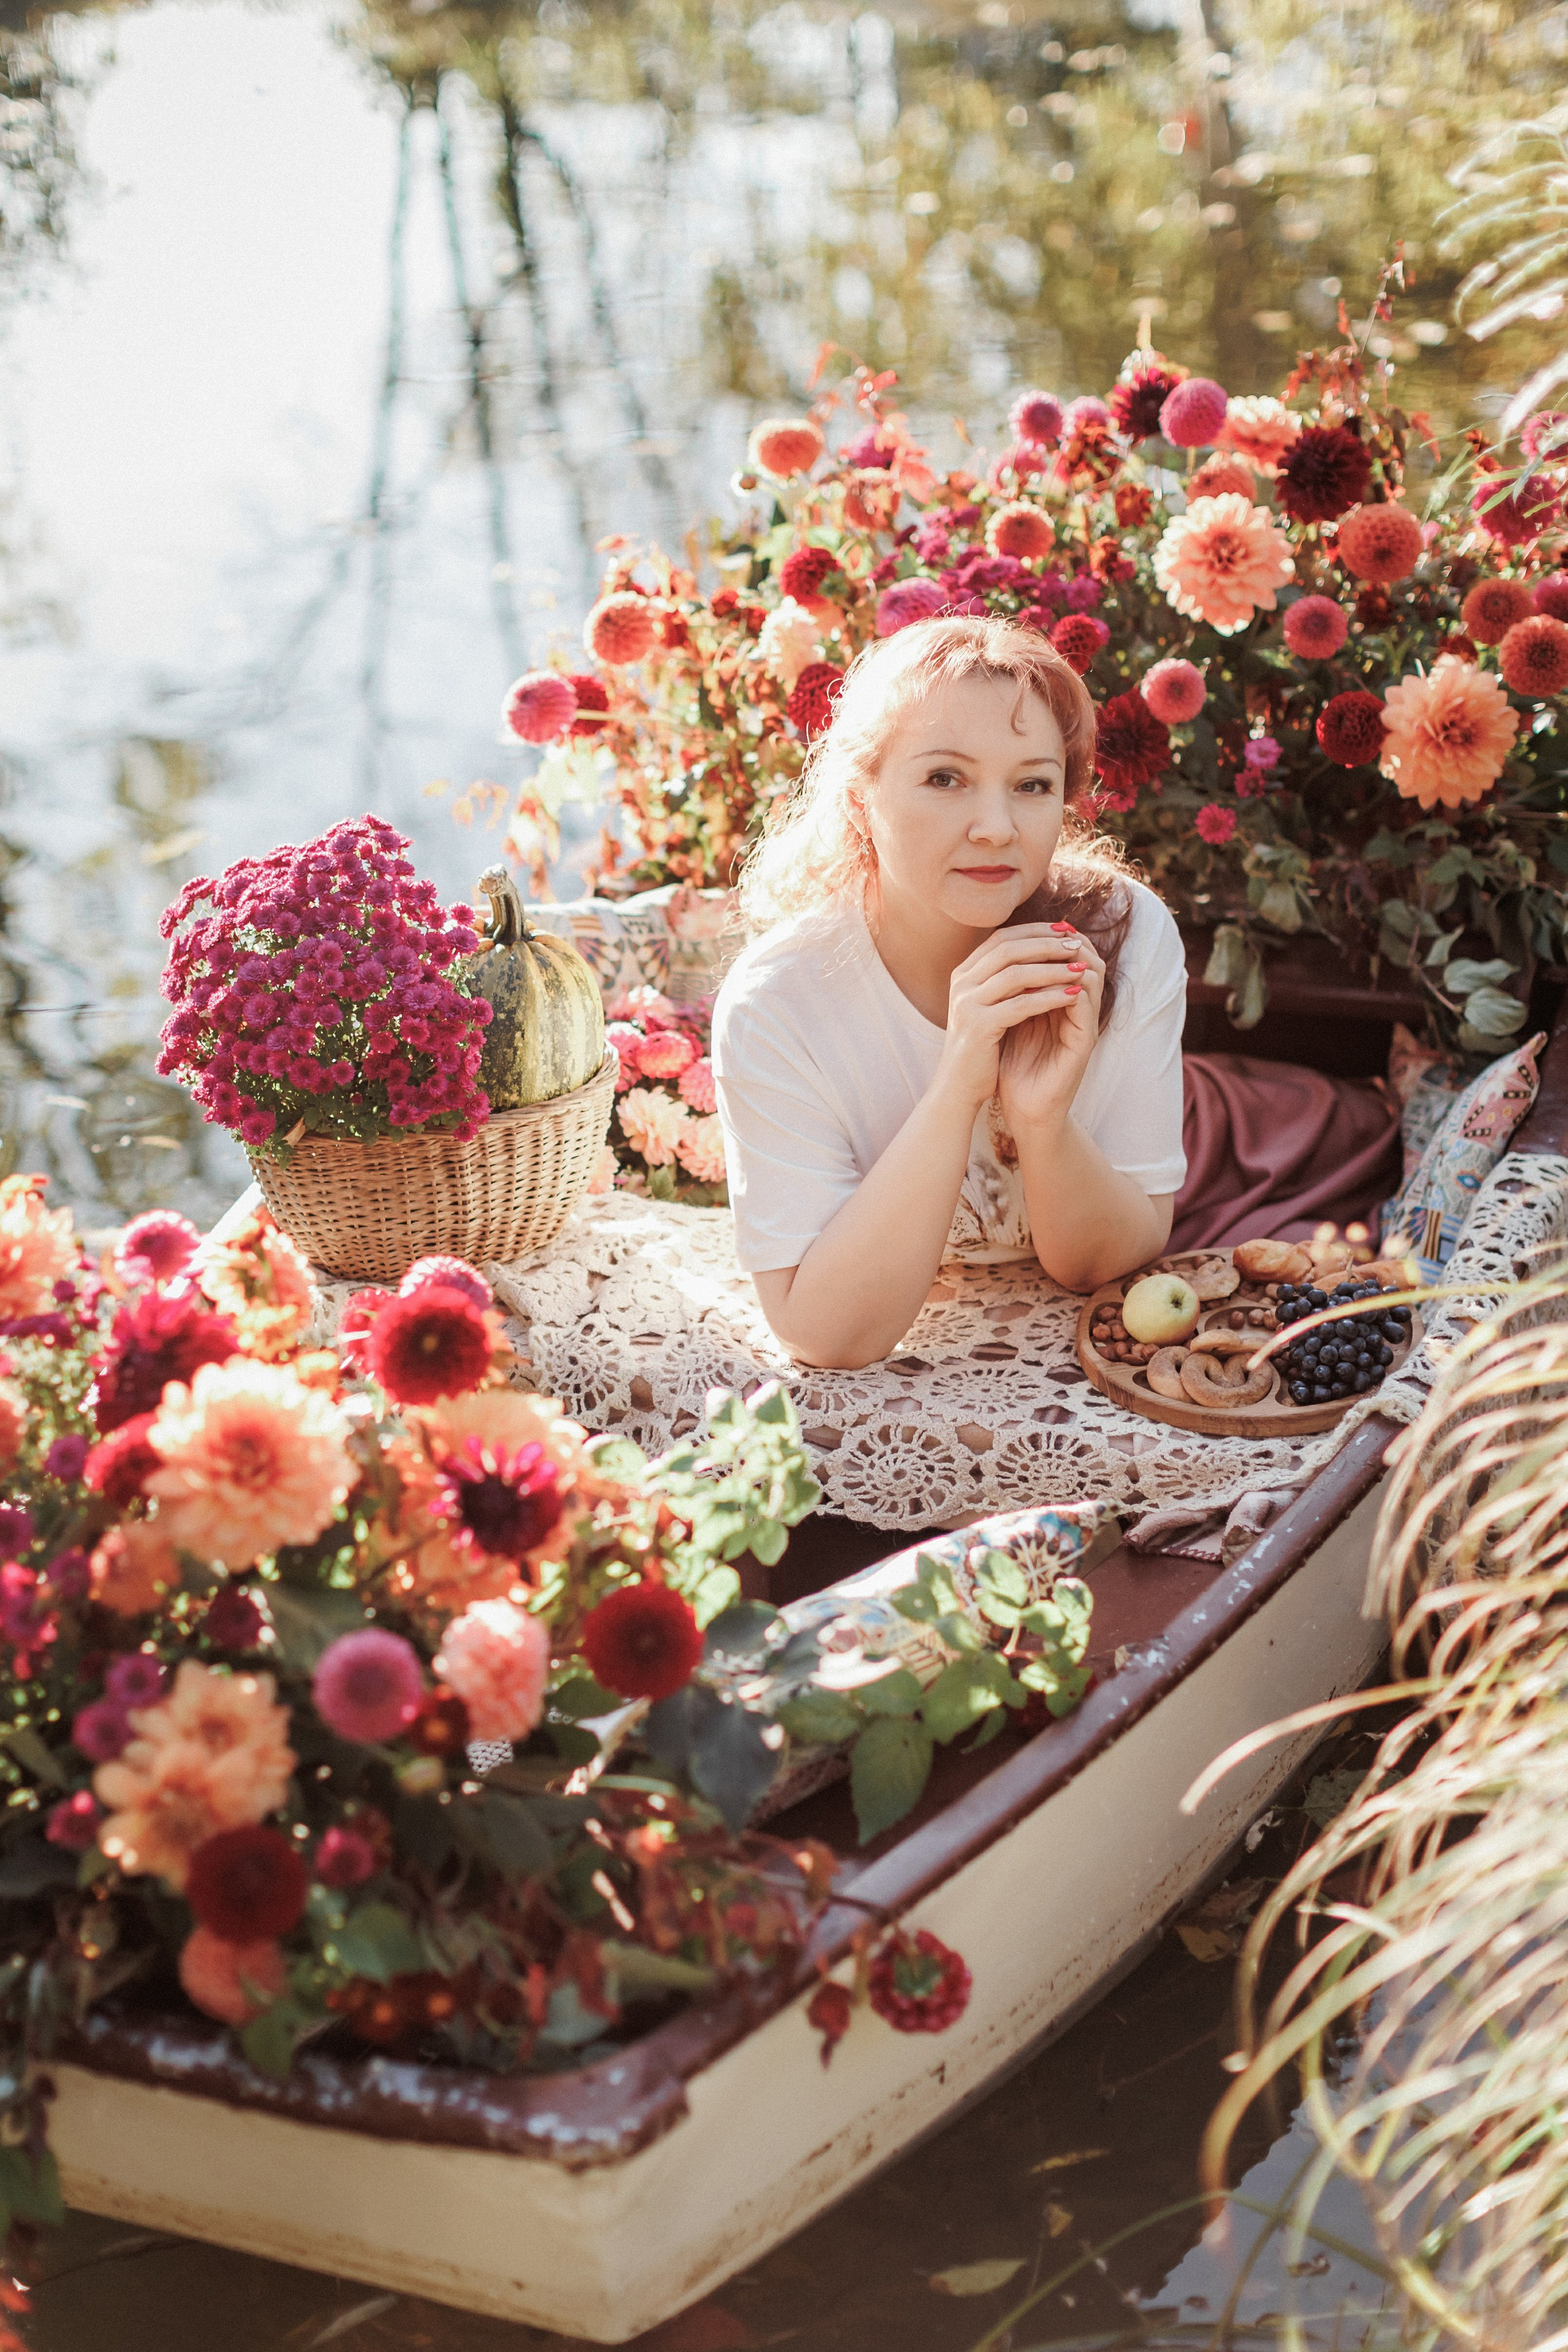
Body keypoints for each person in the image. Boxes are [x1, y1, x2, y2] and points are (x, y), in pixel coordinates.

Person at [711, 614, 1187, 1370]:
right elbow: (825, 1335)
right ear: (860, 796)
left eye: (1032, 784)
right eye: (944, 779)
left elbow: (1105, 1262)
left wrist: (1040, 1121)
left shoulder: (1123, 936)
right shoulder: (779, 1003)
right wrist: (959, 1085)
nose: (997, 828)